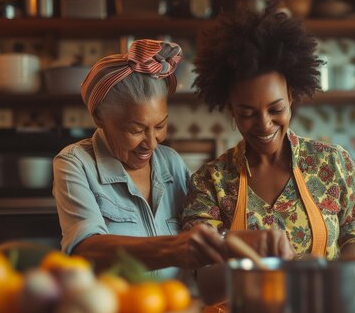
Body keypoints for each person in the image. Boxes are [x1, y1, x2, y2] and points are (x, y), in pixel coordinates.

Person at [184, 9, 355, 303]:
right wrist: (246, 253)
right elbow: (207, 285)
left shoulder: (332, 164)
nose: (264, 124)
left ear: (292, 97)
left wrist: (353, 294)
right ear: (231, 108)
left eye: (276, 109)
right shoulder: (211, 182)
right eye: (246, 113)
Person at [52, 39, 226, 275]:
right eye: (136, 130)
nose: (152, 143)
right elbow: (86, 251)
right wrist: (175, 248)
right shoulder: (76, 164)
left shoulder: (172, 163)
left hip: (177, 308)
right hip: (117, 310)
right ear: (99, 118)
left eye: (160, 126)